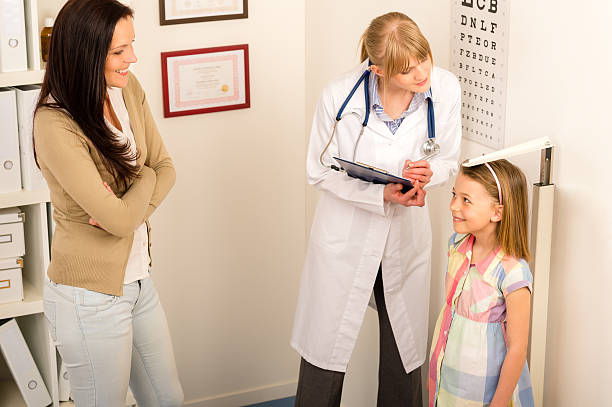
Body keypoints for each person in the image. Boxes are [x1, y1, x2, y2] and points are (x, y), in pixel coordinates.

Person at [291, 12, 462, 406]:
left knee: (404, 353)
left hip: (405, 238)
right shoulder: (339, 96)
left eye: (424, 59)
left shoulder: (446, 89)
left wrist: (428, 173)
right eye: (407, 69)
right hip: (346, 237)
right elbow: (318, 170)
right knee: (325, 350)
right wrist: (379, 195)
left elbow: (449, 159)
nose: (422, 73)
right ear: (379, 69)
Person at [33, 1, 183, 406]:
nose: (132, 58)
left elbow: (165, 168)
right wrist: (141, 183)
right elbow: (119, 219)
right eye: (119, 51)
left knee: (168, 399)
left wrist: (131, 201)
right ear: (85, 52)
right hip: (88, 296)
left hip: (138, 279)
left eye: (131, 45)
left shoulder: (126, 89)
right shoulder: (55, 123)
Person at [428, 159, 535, 407]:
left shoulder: (512, 273)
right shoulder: (457, 246)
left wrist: (498, 403)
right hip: (446, 387)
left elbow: (518, 349)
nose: (453, 205)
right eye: (454, 195)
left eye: (466, 200)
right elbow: (449, 318)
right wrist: (435, 376)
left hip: (483, 396)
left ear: (497, 212)